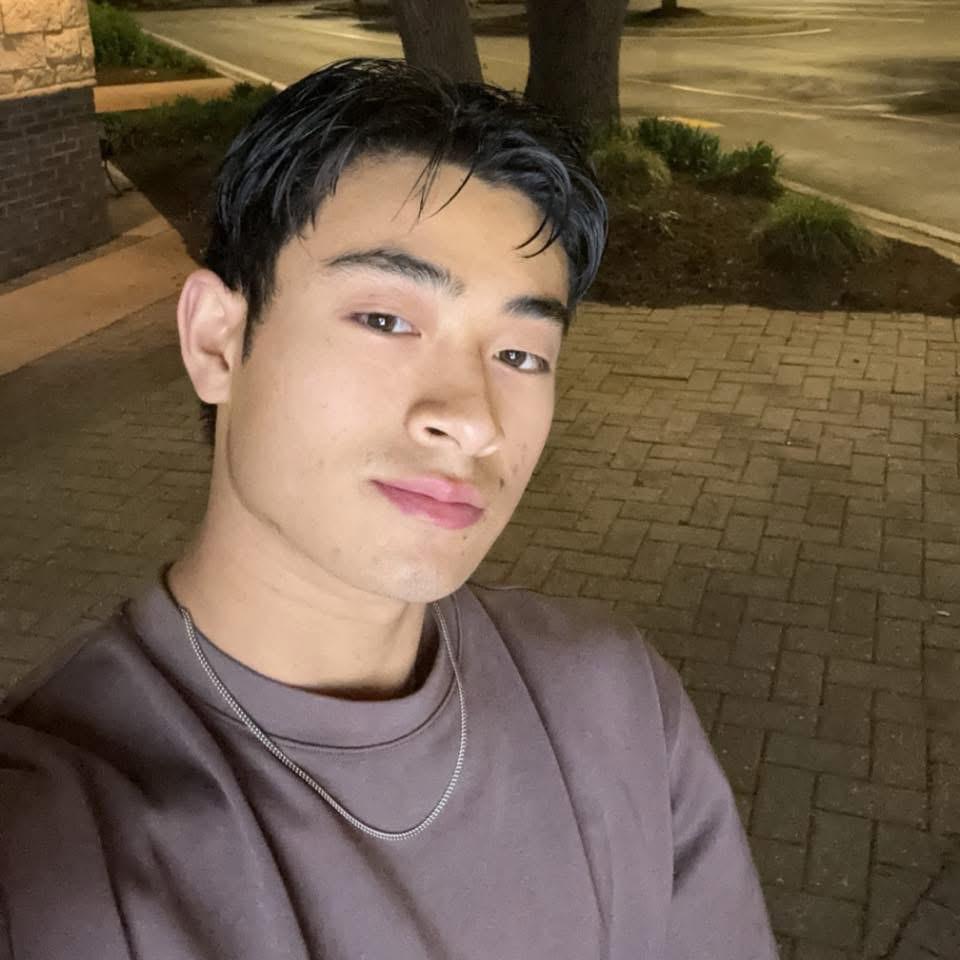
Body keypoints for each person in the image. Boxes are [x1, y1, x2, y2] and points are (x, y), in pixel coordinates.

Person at [0, 59, 776, 959]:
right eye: (385, 320)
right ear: (216, 341)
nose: (472, 418)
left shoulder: (618, 709)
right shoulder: (60, 844)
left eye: (521, 354)